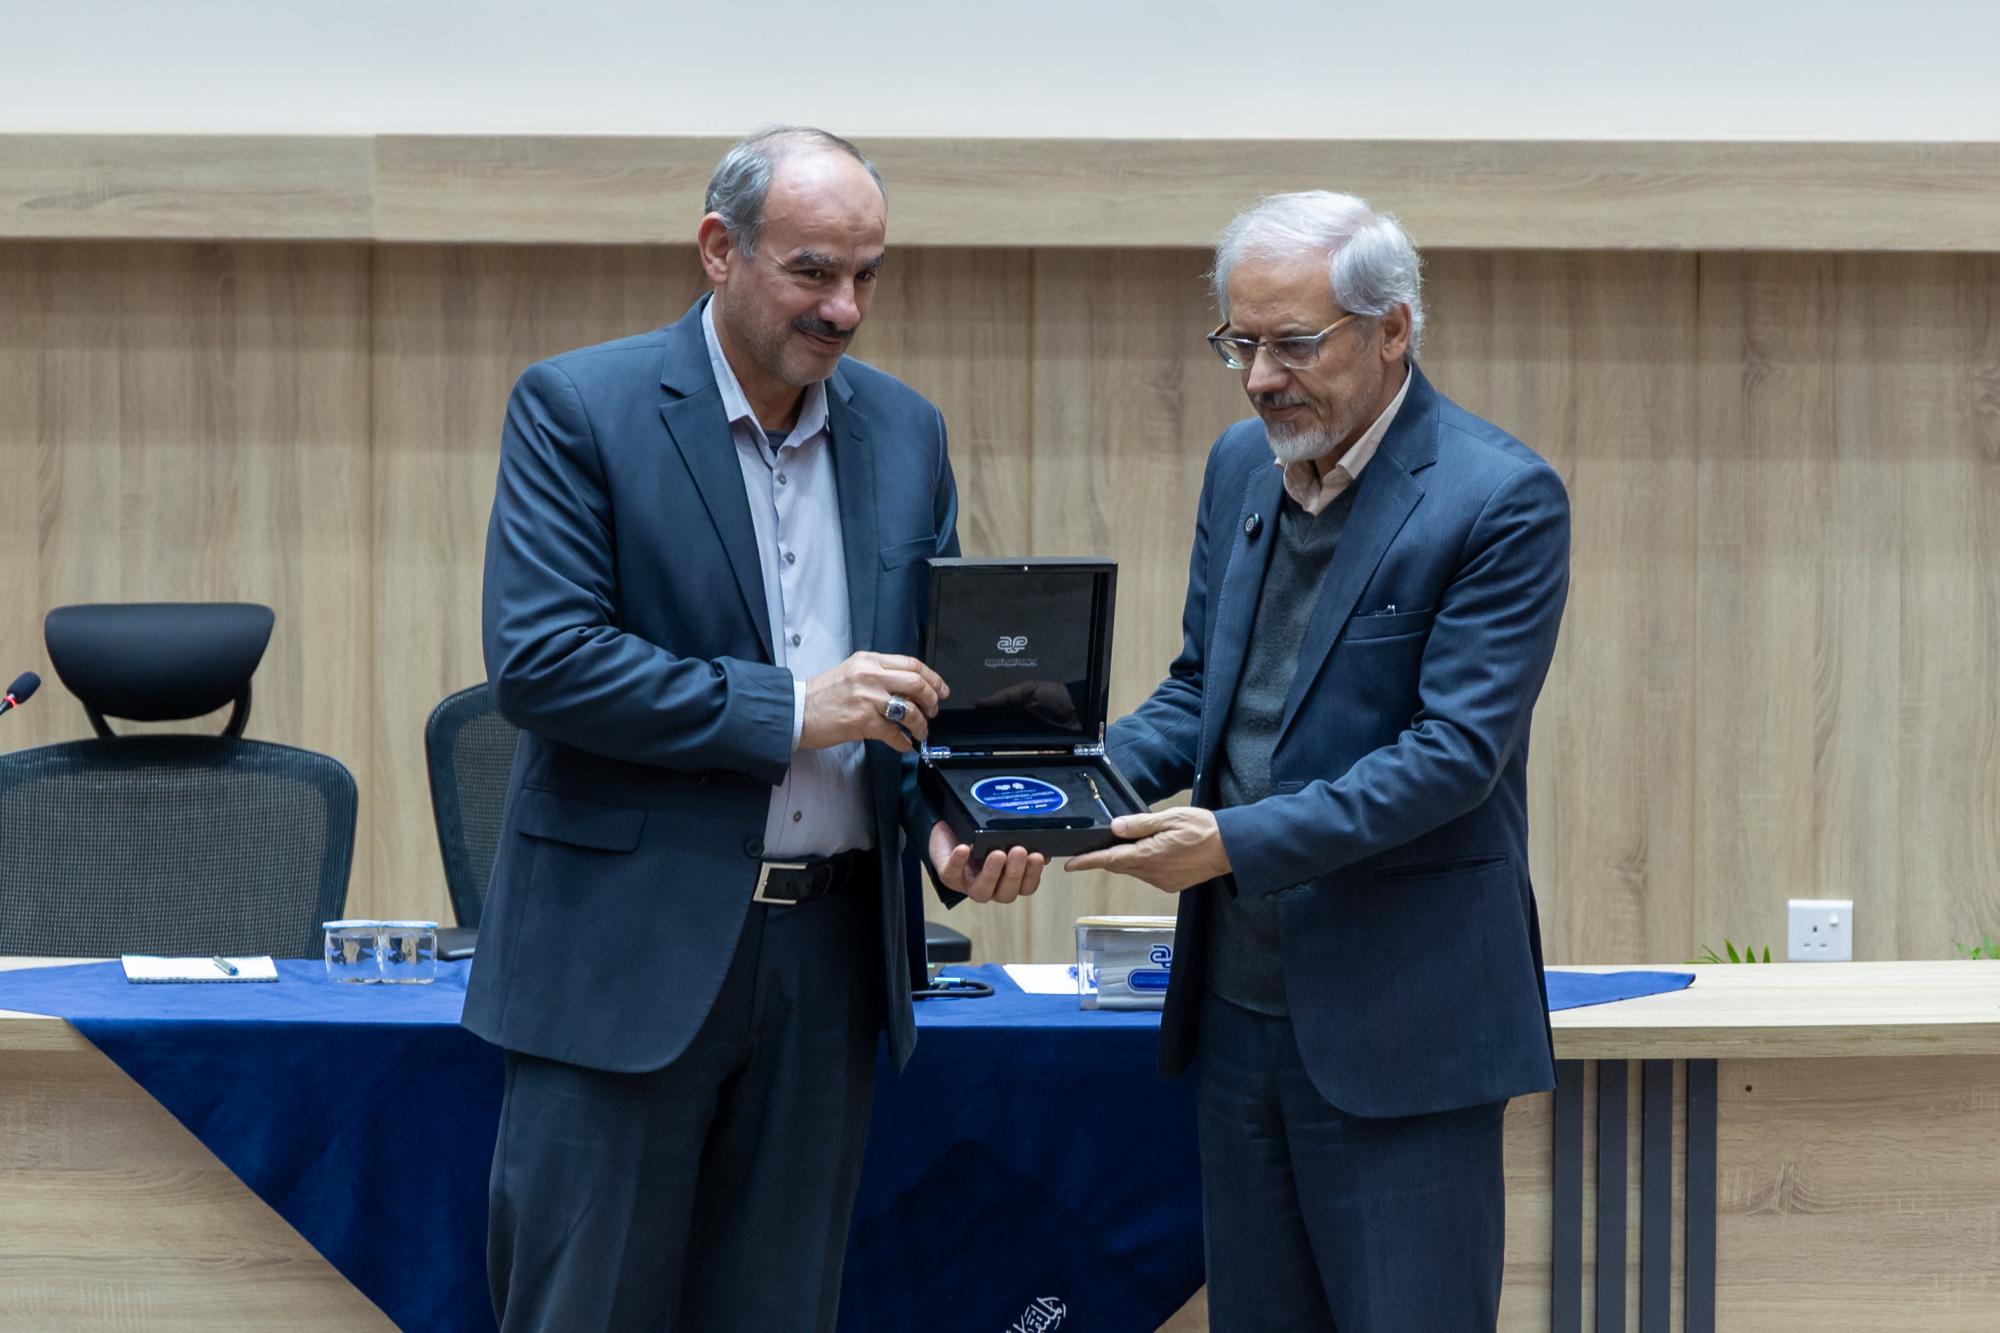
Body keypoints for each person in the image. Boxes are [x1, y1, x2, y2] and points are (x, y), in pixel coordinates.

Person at [464, 126, 1044, 1333]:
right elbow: (543, 660)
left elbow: (917, 692)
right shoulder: (582, 406)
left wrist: (947, 828)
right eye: (812, 271)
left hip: (829, 964)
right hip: (625, 959)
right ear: (719, 249)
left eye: (867, 275)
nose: (844, 309)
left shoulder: (906, 431)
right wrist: (788, 707)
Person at [1069, 191, 1571, 1331]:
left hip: (1403, 1030)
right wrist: (1057, 793)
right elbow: (1200, 690)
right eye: (1239, 343)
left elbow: (1451, 756)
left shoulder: (1498, 497)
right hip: (1236, 1016)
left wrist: (1230, 844)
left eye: (1293, 343)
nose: (1259, 378)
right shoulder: (1239, 469)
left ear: (1391, 329)